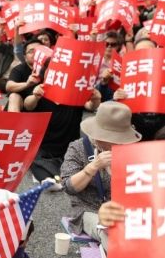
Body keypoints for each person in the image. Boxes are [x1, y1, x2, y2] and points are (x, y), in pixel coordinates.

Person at [60, 102, 141, 250]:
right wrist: (93, 166)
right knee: (110, 230)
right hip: (89, 208)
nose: (118, 142)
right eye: (114, 137)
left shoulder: (131, 149)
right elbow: (68, 187)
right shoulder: (78, 147)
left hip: (124, 208)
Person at [24, 72, 101, 184]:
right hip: (44, 145)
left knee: (85, 163)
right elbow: (28, 105)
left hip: (69, 144)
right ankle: (49, 176)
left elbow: (90, 106)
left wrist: (96, 99)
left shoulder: (75, 91)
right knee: (31, 156)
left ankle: (53, 174)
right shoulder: (41, 90)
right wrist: (35, 97)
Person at [5, 38, 43, 113]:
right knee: (14, 96)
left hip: (42, 107)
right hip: (22, 108)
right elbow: (9, 86)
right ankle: (12, 123)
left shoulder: (50, 69)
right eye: (31, 51)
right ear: (25, 57)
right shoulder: (19, 69)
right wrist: (27, 84)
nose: (35, 54)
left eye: (39, 51)